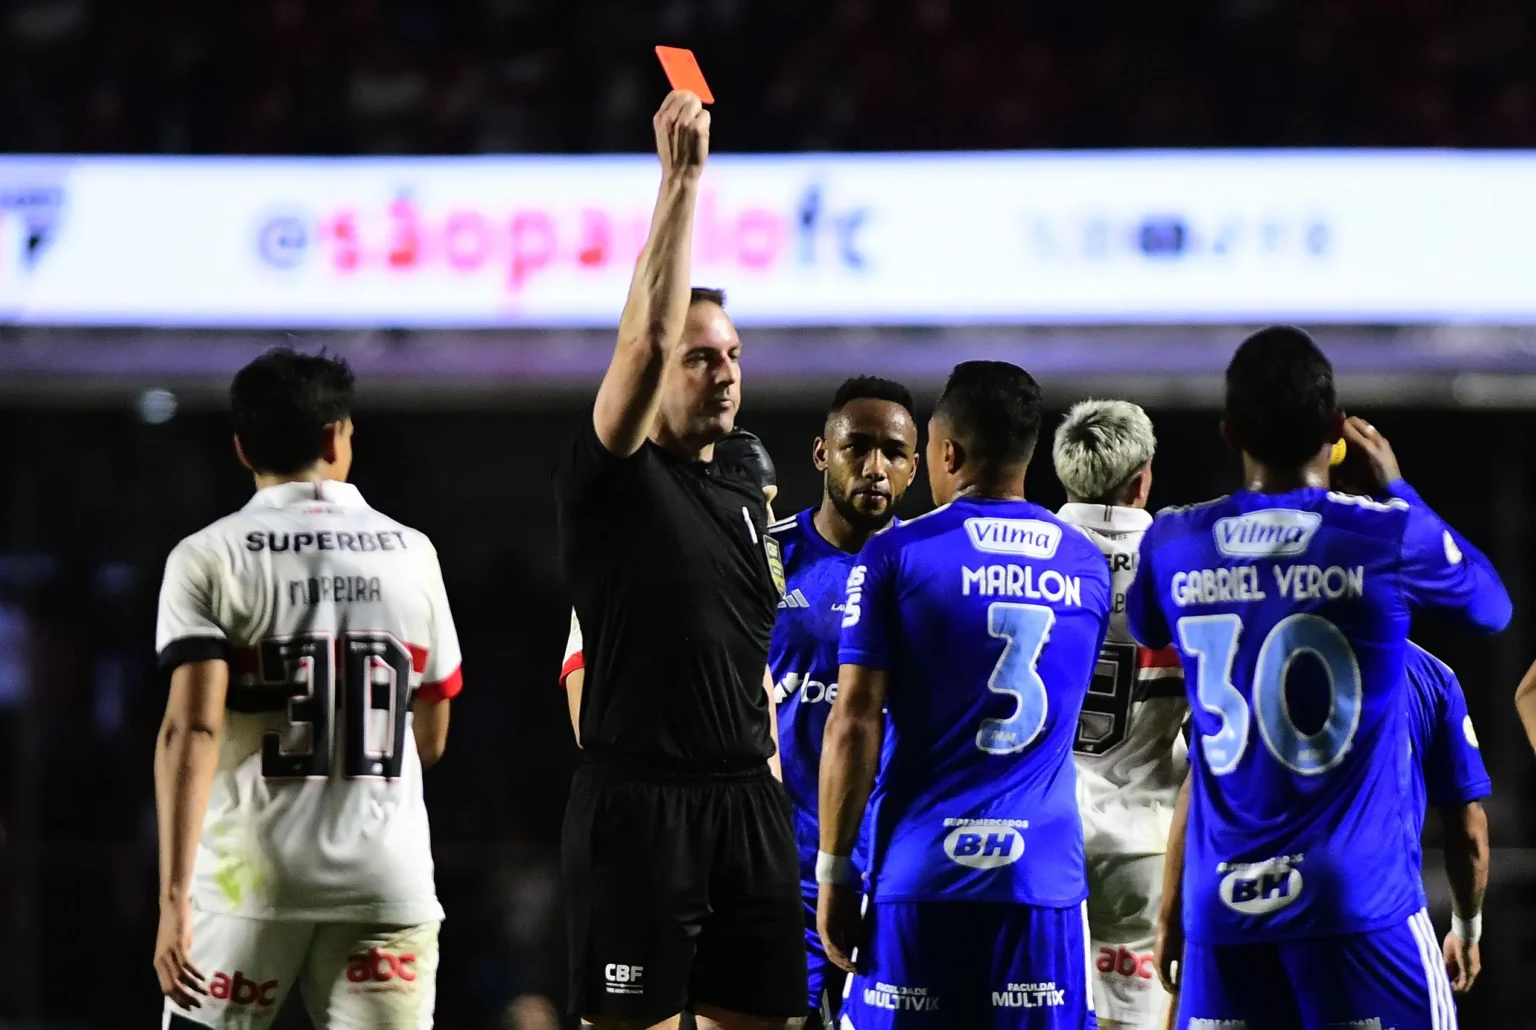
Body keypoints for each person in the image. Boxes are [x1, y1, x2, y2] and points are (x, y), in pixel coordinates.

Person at [1126, 326, 1510, 1028]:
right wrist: (1396, 487)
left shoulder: (1173, 540)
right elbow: (1490, 604)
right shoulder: (1380, 536)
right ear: (1337, 431)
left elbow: (1151, 627)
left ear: (1229, 430)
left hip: (1224, 909)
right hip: (1353, 902)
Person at [552, 89, 804, 1030]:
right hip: (640, 816)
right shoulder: (609, 478)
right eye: (701, 358)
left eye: (733, 353)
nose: (725, 370)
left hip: (747, 804)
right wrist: (680, 183)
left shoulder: (748, 478)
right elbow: (646, 335)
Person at [152, 349, 463, 1030]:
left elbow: (192, 730)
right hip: (386, 880)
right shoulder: (414, 553)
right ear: (336, 436)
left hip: (249, 884)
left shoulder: (207, 556)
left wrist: (175, 897)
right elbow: (431, 738)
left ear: (242, 447)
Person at [819, 360, 1112, 1029]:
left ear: (945, 452)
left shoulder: (897, 556)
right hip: (1040, 879)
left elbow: (853, 723)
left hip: (919, 873)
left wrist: (835, 869)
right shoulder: (1084, 564)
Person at [767, 376, 920, 1028]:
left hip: (894, 879)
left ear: (916, 467)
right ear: (820, 453)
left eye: (894, 452)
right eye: (856, 447)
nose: (875, 467)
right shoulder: (765, 556)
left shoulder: (930, 565)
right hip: (780, 874)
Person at [1051, 400, 1185, 1030]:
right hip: (1148, 840)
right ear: (1143, 479)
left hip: (1045, 836)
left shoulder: (1029, 556)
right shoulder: (1184, 566)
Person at [559, 428, 780, 745]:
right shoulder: (622, 575)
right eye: (760, 503)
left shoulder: (762, 590)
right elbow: (588, 727)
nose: (770, 518)